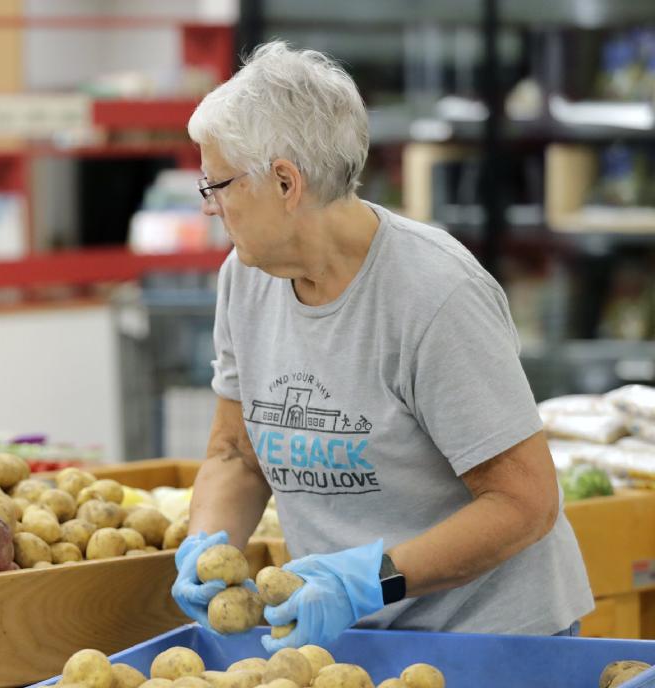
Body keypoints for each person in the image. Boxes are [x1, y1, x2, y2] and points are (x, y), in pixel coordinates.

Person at [171, 41, 593, 652]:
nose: (210, 207)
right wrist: (207, 544)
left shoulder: (434, 294)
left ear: (286, 181)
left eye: (218, 185)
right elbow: (236, 452)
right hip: (351, 639)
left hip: (490, 639)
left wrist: (371, 580)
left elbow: (525, 503)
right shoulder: (245, 279)